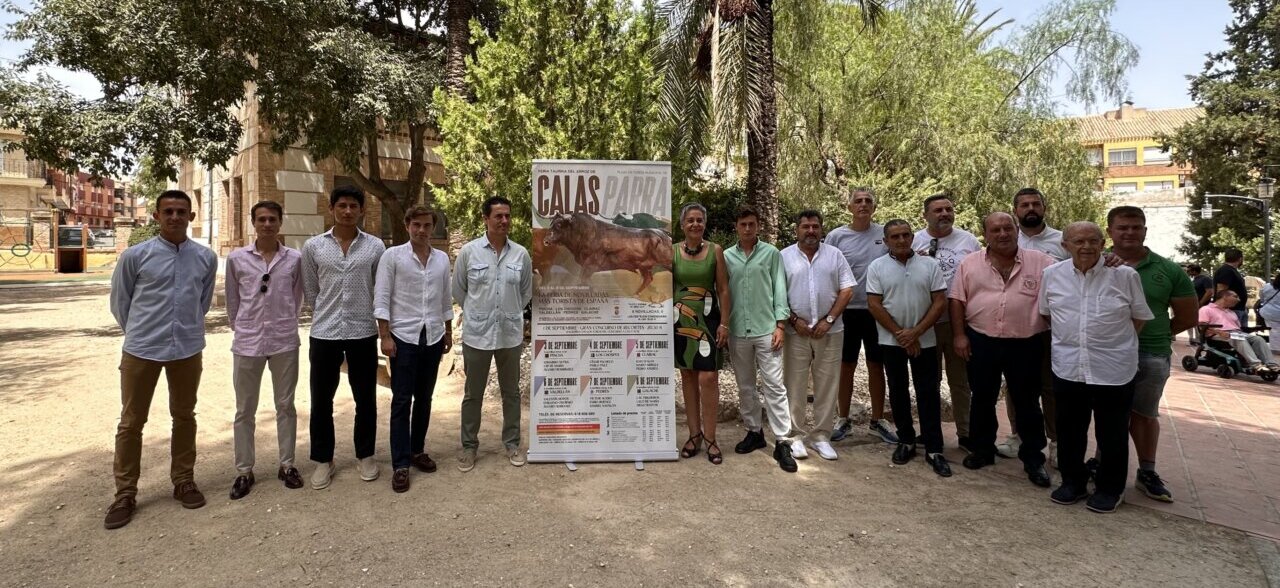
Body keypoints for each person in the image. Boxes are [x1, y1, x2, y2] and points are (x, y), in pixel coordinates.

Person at [105, 190, 218, 529]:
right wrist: (140, 332)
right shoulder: (136, 256)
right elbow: (120, 302)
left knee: (184, 416)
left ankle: (183, 480)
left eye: (181, 211)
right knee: (131, 422)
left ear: (191, 217)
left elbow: (203, 302)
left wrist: (184, 329)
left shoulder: (205, 258)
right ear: (156, 216)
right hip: (142, 349)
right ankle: (125, 493)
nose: (174, 217)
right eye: (167, 211)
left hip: (186, 348)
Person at [1040, 222, 1153, 514]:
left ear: (1103, 244)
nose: (1086, 247)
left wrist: (1115, 345)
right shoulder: (1051, 275)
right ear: (1065, 245)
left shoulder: (1124, 275)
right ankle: (1072, 482)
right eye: (1079, 241)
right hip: (1068, 368)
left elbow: (1138, 318)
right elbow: (1048, 314)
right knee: (1069, 431)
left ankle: (1110, 489)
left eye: (1093, 241)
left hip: (1113, 369)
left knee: (1112, 433)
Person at [948, 212, 1053, 488]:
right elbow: (957, 300)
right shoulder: (969, 264)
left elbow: (1072, 274)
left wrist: (1109, 260)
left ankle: (1033, 457)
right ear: (986, 235)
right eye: (996, 230)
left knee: (1027, 402)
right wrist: (959, 335)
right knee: (982, 397)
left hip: (1026, 342)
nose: (1003, 234)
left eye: (1008, 228)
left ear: (1017, 230)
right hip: (982, 340)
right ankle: (983, 449)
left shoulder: (1042, 263)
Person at [1106, 206, 1198, 503]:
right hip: (1106, 353)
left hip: (1150, 352)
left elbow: (1187, 316)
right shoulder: (1096, 261)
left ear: (1145, 230)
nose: (1129, 232)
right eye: (1122, 227)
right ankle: (1102, 464)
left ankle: (1147, 471)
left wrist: (1161, 331)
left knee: (1145, 414)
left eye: (1136, 227)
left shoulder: (1167, 269)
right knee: (1108, 414)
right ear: (1110, 231)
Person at [302, 185, 386, 490]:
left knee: (366, 398)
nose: (348, 211)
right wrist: (328, 310)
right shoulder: (313, 247)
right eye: (342, 205)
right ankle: (324, 459)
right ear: (332, 208)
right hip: (324, 333)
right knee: (321, 399)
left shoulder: (376, 247)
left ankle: (365, 454)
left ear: (362, 210)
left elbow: (381, 290)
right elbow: (311, 291)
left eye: (353, 205)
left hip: (362, 331)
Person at [225, 200, 305, 500]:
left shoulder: (294, 259)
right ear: (253, 222)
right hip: (247, 342)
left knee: (286, 405)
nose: (267, 224)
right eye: (262, 219)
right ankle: (244, 470)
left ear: (280, 223)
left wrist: (283, 321)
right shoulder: (236, 259)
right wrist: (244, 325)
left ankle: (287, 465)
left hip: (284, 339)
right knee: (244, 409)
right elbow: (233, 302)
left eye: (272, 219)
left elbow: (297, 298)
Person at [375, 206, 453, 492]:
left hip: (432, 337)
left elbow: (445, 298)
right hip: (403, 338)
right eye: (416, 225)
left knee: (425, 399)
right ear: (407, 225)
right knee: (401, 401)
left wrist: (448, 331)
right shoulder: (392, 257)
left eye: (427, 225)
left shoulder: (442, 260)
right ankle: (401, 464)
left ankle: (418, 450)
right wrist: (385, 336)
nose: (422, 230)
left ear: (433, 227)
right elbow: (382, 299)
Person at [453, 196, 533, 471]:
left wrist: (508, 313)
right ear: (485, 219)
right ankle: (468, 447)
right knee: (472, 394)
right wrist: (479, 313)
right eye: (498, 216)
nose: (504, 221)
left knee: (510, 393)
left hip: (509, 334)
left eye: (507, 216)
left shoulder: (520, 254)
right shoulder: (469, 252)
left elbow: (525, 292)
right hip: (477, 334)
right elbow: (459, 291)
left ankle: (512, 444)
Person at [867, 219, 951, 477]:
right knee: (898, 390)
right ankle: (906, 440)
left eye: (906, 235)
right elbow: (874, 304)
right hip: (891, 341)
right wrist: (901, 335)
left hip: (924, 340)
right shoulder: (877, 267)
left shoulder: (930, 265)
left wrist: (916, 332)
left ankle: (935, 448)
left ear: (913, 237)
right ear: (886, 240)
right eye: (895, 236)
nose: (901, 240)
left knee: (928, 391)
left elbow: (939, 302)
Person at [724, 206, 797, 472]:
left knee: (774, 386)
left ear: (758, 226)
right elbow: (723, 292)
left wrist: (780, 325)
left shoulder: (771, 254)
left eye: (751, 224)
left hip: (767, 330)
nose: (747, 228)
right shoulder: (727, 256)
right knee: (745, 386)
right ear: (736, 226)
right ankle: (754, 432)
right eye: (742, 224)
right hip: (737, 331)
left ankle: (782, 440)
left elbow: (780, 289)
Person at [823, 187, 897, 444]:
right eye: (858, 201)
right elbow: (826, 268)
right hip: (846, 311)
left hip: (877, 311)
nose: (863, 205)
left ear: (874, 207)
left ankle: (878, 421)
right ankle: (843, 419)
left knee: (877, 365)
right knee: (846, 365)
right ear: (850, 207)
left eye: (868, 201)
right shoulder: (836, 237)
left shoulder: (884, 235)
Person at [781, 210, 854, 461]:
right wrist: (794, 320)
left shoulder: (835, 255)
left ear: (822, 229)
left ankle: (821, 436)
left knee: (827, 384)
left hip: (830, 331)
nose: (810, 231)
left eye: (815, 226)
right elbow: (777, 294)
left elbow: (846, 290)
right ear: (797, 230)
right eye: (805, 227)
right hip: (795, 332)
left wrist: (829, 319)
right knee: (794, 384)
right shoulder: (784, 257)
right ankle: (796, 436)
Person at [912, 194, 980, 452]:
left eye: (948, 209)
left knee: (960, 381)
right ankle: (930, 432)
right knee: (927, 381)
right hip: (925, 322)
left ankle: (965, 432)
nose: (944, 214)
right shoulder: (914, 240)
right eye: (938, 210)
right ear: (925, 215)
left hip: (957, 323)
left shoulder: (968, 240)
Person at [1002, 188, 1065, 461]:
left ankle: (1055, 441)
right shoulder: (1004, 239)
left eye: (1035, 204)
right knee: (1016, 386)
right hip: (1014, 328)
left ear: (1044, 207)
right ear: (1015, 210)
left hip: (1051, 327)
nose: (1030, 209)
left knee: (1050, 386)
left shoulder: (1063, 241)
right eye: (1024, 204)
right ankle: (1018, 435)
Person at [673, 202, 732, 464]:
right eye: (690, 220)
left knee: (708, 378)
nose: (695, 224)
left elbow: (723, 290)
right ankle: (694, 434)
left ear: (704, 224)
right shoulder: (671, 251)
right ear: (682, 225)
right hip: (680, 318)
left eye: (699, 220)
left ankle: (711, 438)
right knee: (687, 376)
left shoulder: (715, 251)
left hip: (709, 320)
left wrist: (725, 323)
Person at [1200, 290, 1280, 372]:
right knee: (1238, 339)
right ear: (1224, 297)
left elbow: (1239, 328)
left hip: (1237, 333)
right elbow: (1202, 326)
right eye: (1235, 296)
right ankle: (1256, 365)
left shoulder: (1231, 312)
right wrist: (1219, 332)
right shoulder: (1206, 309)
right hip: (1217, 335)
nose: (1238, 299)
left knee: (1258, 339)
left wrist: (1255, 329)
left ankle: (1272, 365)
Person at [1214, 248, 1249, 327]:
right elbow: (1221, 291)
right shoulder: (1226, 270)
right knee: (1236, 336)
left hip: (1238, 309)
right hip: (1232, 310)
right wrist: (1225, 309)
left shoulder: (1231, 270)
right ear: (1240, 259)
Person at [1187, 264, 1213, 344]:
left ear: (1194, 271)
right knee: (1191, 321)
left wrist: (1201, 303)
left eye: (1189, 271)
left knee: (1200, 322)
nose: (1188, 272)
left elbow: (1209, 292)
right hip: (1193, 304)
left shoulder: (1205, 279)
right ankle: (1192, 338)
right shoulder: (1194, 280)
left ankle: (1200, 339)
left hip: (1202, 305)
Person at [1258, 273, 1280, 353]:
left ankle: (1275, 349)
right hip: (1274, 313)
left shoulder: (1267, 286)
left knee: (1274, 331)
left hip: (1269, 313)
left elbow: (1261, 297)